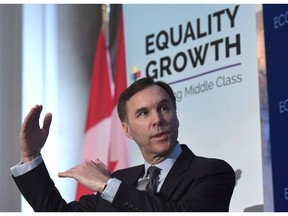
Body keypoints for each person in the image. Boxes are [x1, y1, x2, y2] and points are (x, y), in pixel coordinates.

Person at [11, 77, 235, 212]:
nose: (157, 119)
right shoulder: (121, 180)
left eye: (164, 108)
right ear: (127, 130)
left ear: (176, 115)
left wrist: (108, 186)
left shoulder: (212, 172)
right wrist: (31, 157)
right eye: (143, 113)